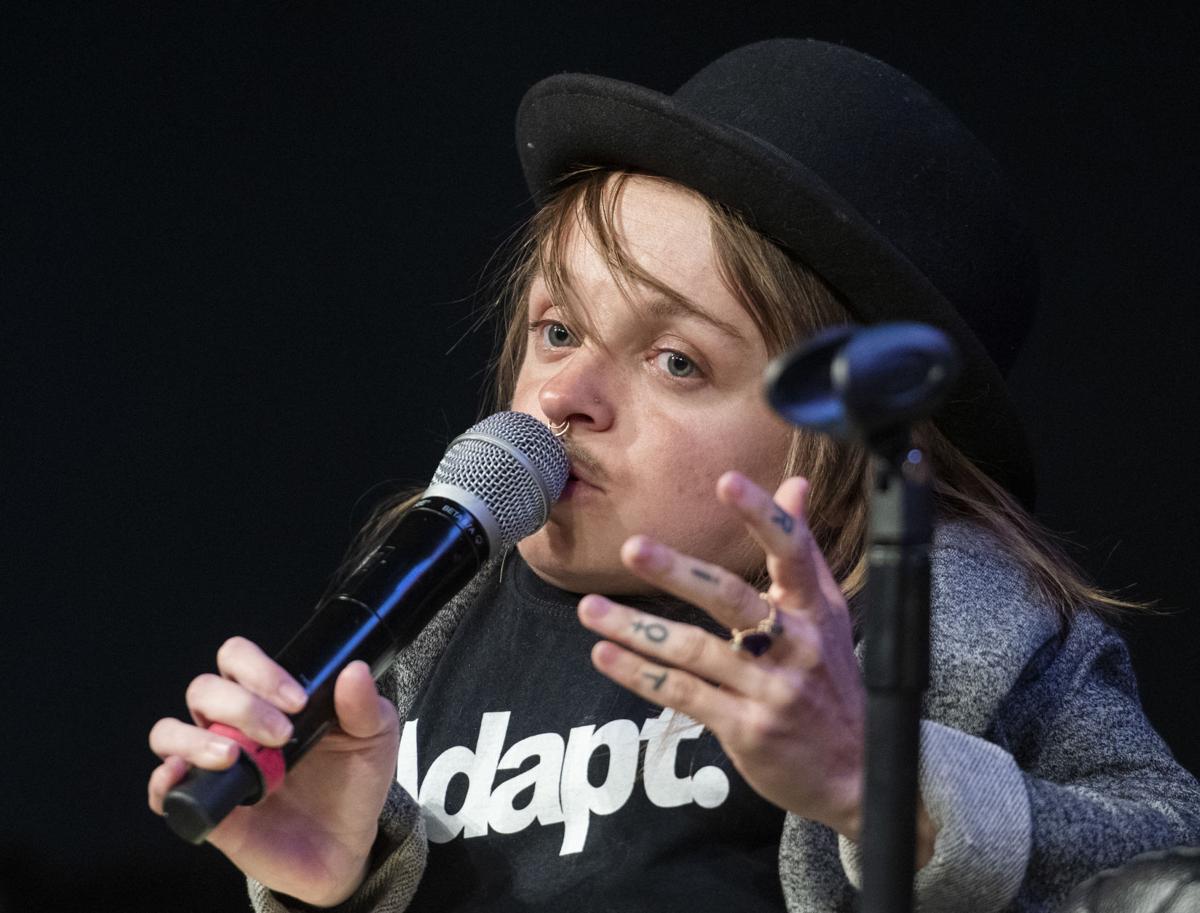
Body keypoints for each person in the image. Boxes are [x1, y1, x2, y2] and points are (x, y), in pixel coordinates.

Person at [146, 39, 1200, 912]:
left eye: (677, 361)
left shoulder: (958, 621)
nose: (565, 397)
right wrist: (343, 884)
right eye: (558, 329)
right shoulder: (425, 624)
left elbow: (1166, 858)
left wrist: (872, 782)